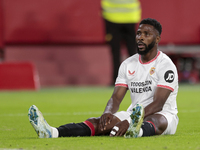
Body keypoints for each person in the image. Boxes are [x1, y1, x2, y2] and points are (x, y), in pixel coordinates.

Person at [28, 18, 179, 138]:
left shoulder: (166, 65)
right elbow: (116, 98)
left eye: (147, 34)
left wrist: (130, 121)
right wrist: (107, 113)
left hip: (164, 115)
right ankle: (52, 132)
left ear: (157, 39)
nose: (140, 38)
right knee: (101, 123)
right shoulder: (127, 64)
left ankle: (136, 131)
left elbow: (158, 104)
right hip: (133, 114)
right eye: (139, 33)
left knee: (156, 121)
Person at [101, 0, 142, 85]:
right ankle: (136, 79)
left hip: (112, 17)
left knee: (116, 52)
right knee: (133, 51)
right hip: (130, 17)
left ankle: (117, 80)